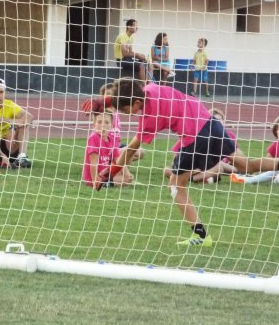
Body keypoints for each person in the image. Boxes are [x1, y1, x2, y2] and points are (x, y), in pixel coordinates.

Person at [87, 78, 279, 246]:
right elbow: (130, 90)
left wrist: (111, 172)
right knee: (247, 165)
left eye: (127, 109)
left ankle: (201, 236)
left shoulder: (149, 119)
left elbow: (129, 150)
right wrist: (104, 101)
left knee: (176, 185)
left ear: (137, 102)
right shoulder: (151, 88)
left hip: (194, 138)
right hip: (213, 125)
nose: (127, 113)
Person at [164, 108, 241, 184]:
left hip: (215, 166)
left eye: (219, 120)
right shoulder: (195, 135)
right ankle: (199, 178)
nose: (217, 123)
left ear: (224, 121)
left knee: (219, 167)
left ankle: (192, 178)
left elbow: (236, 157)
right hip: (195, 167)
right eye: (213, 120)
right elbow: (175, 161)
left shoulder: (230, 136)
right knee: (167, 170)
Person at [83, 110, 132, 189]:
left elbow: (118, 159)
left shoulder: (112, 139)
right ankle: (103, 184)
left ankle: (111, 181)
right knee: (124, 181)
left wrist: (127, 172)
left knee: (126, 177)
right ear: (94, 124)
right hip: (96, 176)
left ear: (112, 125)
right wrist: (95, 181)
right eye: (99, 122)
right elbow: (93, 163)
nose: (103, 126)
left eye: (106, 122)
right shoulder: (93, 138)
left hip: (105, 172)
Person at [99, 82, 145, 162]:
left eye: (113, 94)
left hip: (117, 145)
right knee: (127, 153)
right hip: (107, 147)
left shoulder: (117, 111)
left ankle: (114, 163)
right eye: (108, 93)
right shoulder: (103, 112)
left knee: (141, 152)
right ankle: (113, 164)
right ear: (102, 96)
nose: (111, 96)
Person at [231, 116, 279, 184]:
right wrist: (255, 171)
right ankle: (247, 180)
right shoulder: (276, 145)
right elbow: (266, 162)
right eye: (278, 129)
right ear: (276, 132)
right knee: (273, 171)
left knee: (277, 178)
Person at [113, 19, 147, 83]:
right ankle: (144, 87)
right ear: (129, 27)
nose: (137, 28)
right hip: (121, 60)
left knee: (147, 63)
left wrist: (140, 56)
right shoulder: (122, 36)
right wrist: (137, 55)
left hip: (128, 59)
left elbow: (130, 53)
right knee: (142, 66)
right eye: (135, 26)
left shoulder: (131, 38)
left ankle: (149, 84)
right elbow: (124, 54)